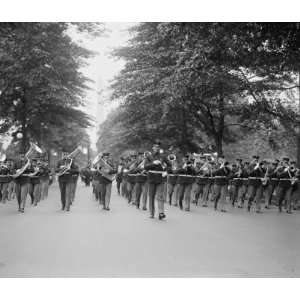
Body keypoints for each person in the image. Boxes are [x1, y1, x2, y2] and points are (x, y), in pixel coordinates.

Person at [144, 142, 169, 220]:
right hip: (151, 178)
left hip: (160, 178)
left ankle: (161, 213)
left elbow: (169, 165)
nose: (156, 148)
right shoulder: (149, 157)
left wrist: (166, 171)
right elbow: (146, 167)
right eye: (155, 147)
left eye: (157, 147)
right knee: (151, 197)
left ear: (159, 148)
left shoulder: (163, 157)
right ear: (152, 148)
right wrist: (153, 163)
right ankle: (152, 213)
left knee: (160, 196)